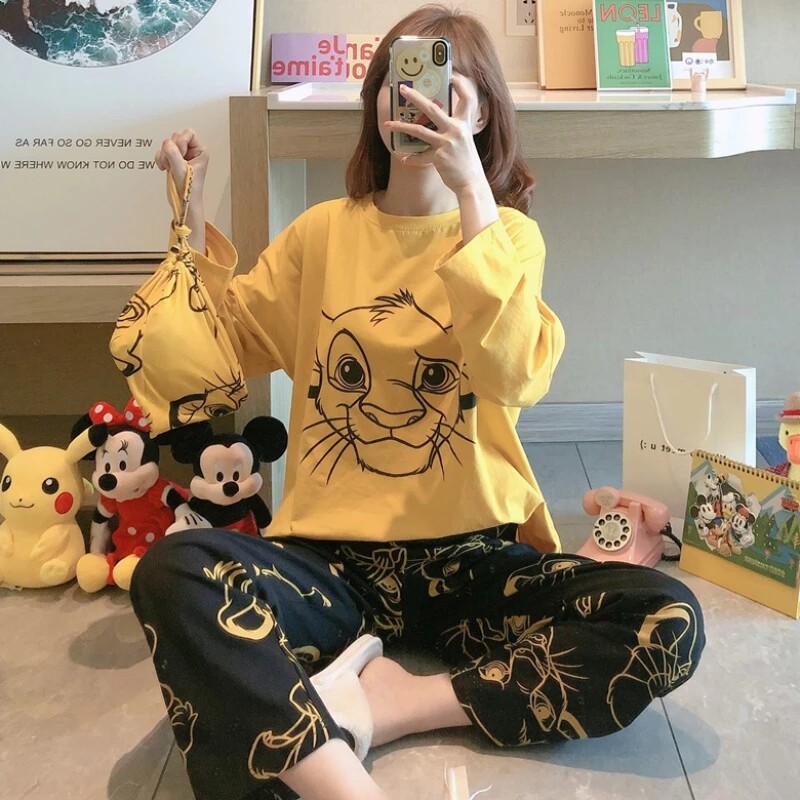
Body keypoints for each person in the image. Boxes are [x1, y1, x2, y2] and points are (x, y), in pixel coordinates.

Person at [129, 5, 705, 800]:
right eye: (396, 83)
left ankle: (401, 703)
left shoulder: (509, 238)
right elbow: (216, 353)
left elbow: (514, 375)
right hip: (331, 563)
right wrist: (189, 217)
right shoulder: (321, 234)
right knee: (173, 570)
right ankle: (341, 784)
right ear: (374, 103)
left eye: (445, 85)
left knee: (668, 618)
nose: (416, 100)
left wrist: (471, 193)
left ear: (483, 113)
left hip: (475, 561)